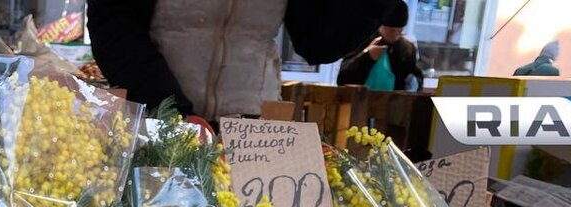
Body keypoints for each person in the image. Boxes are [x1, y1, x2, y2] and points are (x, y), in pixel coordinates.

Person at [88, 0, 389, 121]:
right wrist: (171, 111)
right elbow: (115, 26)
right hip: (157, 117)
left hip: (252, 126)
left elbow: (319, 42)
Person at [337, 2, 423, 92]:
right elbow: (342, 79)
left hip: (394, 103)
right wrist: (367, 56)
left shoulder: (407, 49)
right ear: (380, 26)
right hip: (361, 101)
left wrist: (416, 82)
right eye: (392, 30)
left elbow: (416, 76)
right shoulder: (361, 41)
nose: (396, 35)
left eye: (400, 30)